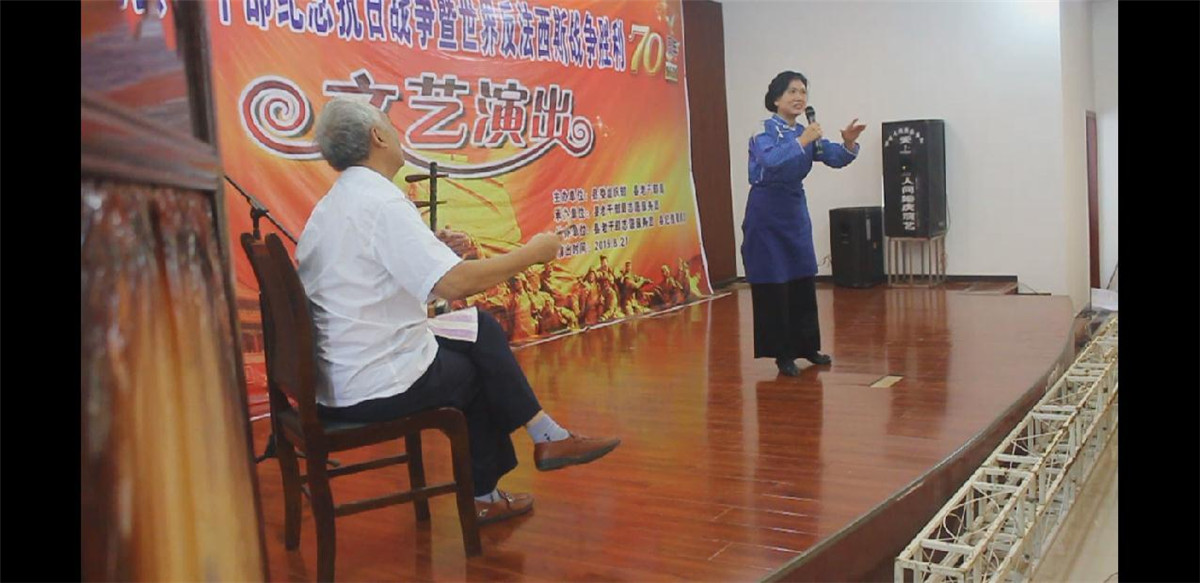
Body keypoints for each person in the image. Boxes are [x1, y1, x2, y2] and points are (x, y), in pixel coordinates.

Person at [296, 97, 620, 525]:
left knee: (480, 328)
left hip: (341, 373)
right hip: (373, 381)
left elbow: (371, 272)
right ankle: (490, 489)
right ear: (377, 136)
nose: (397, 133)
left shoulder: (334, 204)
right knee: (476, 373)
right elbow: (454, 284)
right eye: (390, 125)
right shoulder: (381, 202)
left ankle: (546, 436)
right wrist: (532, 254)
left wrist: (434, 249)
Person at [741, 71, 866, 376]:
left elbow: (833, 157)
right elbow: (771, 161)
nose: (799, 97)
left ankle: (807, 346)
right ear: (776, 99)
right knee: (774, 280)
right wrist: (803, 140)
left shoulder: (806, 131)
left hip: (794, 210)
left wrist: (848, 143)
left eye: (803, 92)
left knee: (802, 276)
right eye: (792, 92)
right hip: (766, 211)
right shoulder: (763, 131)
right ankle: (782, 354)